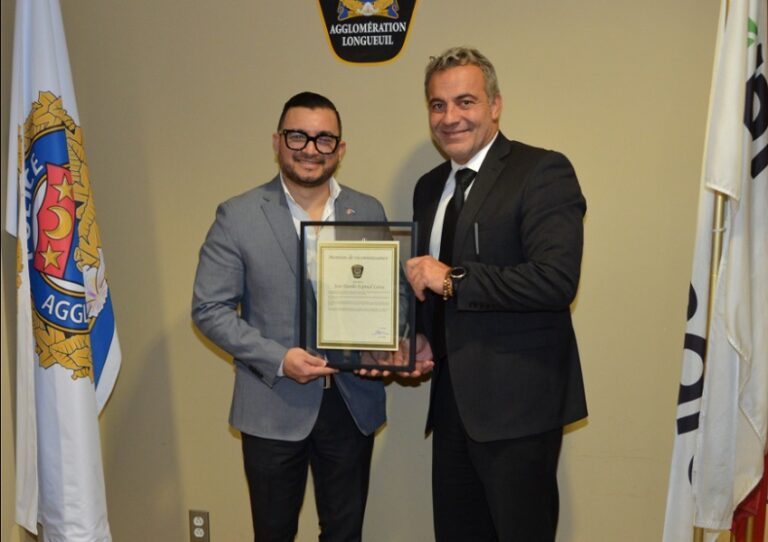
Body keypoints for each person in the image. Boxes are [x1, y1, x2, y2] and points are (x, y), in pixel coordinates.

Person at [404, 47, 588, 541]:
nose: (450, 117)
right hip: (451, 407)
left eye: (465, 101)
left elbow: (556, 279)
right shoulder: (428, 188)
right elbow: (429, 285)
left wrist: (454, 280)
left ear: (495, 105)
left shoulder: (541, 171)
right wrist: (421, 337)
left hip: (519, 408)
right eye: (438, 105)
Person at [192, 91, 388, 542]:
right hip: (272, 403)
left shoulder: (368, 211)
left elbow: (386, 296)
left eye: (324, 139)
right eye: (298, 136)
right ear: (278, 141)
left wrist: (388, 341)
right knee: (274, 533)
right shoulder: (238, 215)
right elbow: (209, 308)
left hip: (350, 403)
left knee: (345, 534)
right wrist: (279, 359)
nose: (310, 149)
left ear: (340, 148)